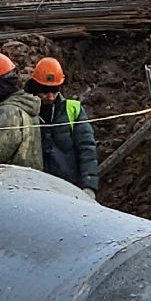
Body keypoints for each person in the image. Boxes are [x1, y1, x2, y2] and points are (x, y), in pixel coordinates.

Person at [27, 57, 100, 198]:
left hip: (71, 188)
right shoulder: (25, 111)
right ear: (35, 88)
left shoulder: (73, 109)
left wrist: (89, 185)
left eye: (54, 91)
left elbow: (87, 148)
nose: (50, 97)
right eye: (45, 92)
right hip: (38, 190)